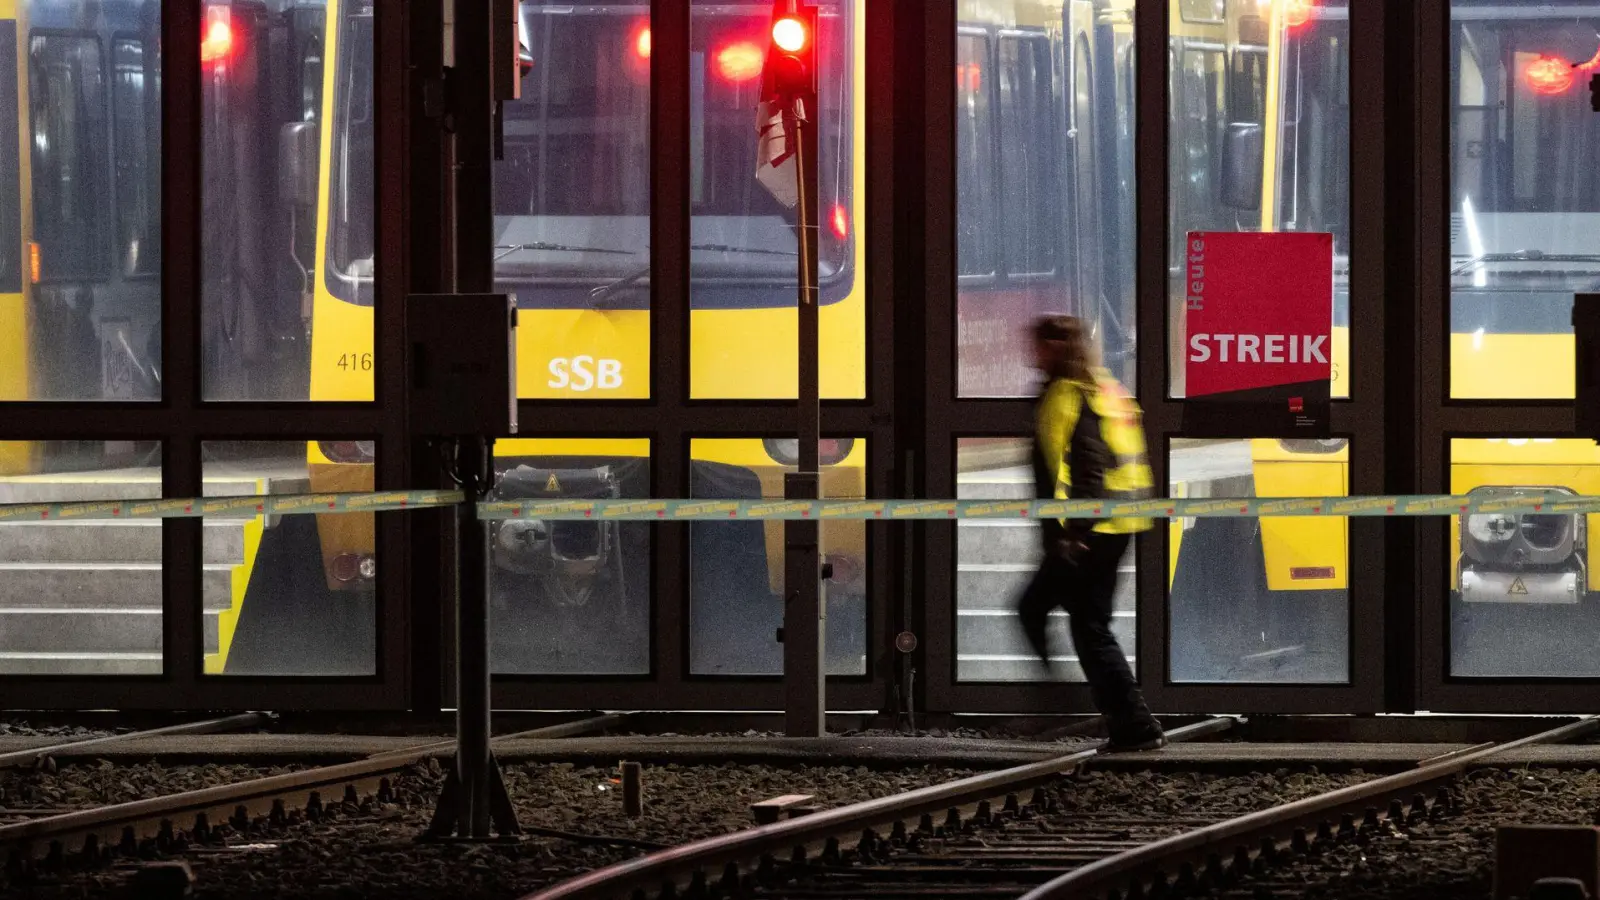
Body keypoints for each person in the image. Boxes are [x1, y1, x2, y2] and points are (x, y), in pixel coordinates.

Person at [1019, 315, 1165, 751]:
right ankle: (1081, 705)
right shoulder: (1104, 386)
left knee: (1083, 624)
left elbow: (1088, 466)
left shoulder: (1068, 395)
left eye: (1038, 345)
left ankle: (1132, 724)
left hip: (1090, 530)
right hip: (1114, 524)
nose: (1032, 354)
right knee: (1052, 612)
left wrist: (1074, 533)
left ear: (1052, 348)